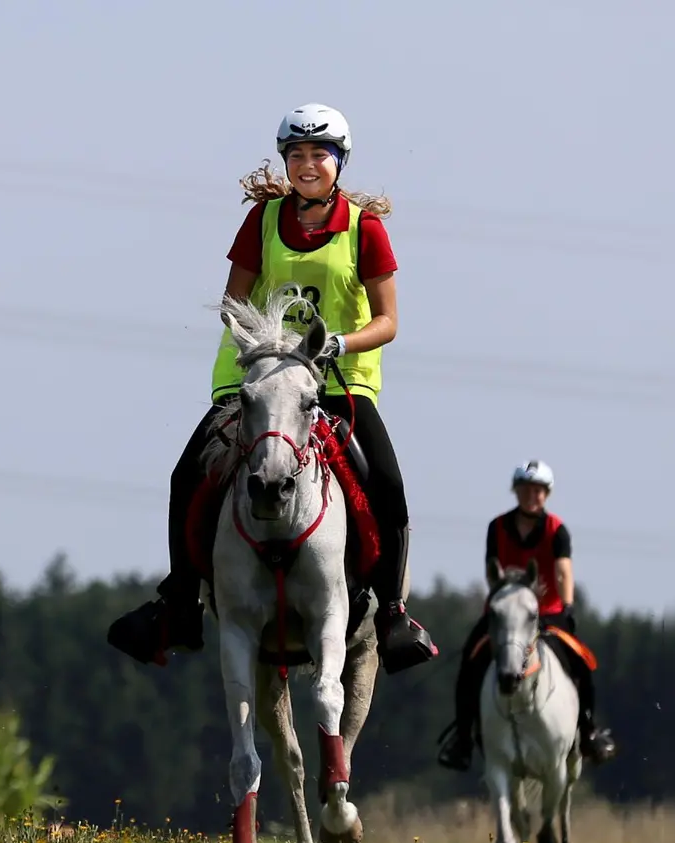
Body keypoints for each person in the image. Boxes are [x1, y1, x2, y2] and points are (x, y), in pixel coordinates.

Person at [106, 103, 435, 675]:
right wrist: (262, 352)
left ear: (339, 163)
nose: (307, 165)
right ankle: (180, 604)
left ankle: (392, 614)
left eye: (319, 156)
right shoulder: (262, 220)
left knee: (387, 481)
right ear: (286, 161)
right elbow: (235, 302)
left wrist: (337, 344)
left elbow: (389, 322)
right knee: (187, 476)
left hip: (338, 382)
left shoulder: (366, 228)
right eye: (297, 155)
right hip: (255, 380)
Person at [436, 460, 617, 771]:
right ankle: (463, 737)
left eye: (537, 490)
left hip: (548, 612)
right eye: (525, 490)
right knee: (471, 660)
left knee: (580, 662)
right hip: (506, 610)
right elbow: (493, 572)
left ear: (546, 494)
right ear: (515, 492)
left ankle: (588, 731)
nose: (531, 496)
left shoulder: (557, 530)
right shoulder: (497, 527)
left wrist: (568, 605)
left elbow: (563, 571)